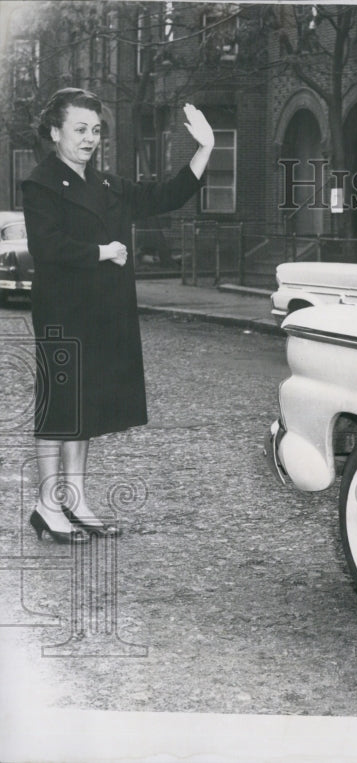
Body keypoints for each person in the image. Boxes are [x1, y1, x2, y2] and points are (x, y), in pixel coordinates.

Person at [22, 88, 215, 543]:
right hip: (61, 311)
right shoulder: (41, 182)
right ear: (55, 132)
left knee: (83, 407)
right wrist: (102, 251)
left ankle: (76, 500)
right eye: (79, 129)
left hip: (101, 312)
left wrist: (205, 149)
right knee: (59, 407)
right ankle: (47, 504)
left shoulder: (106, 184)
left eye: (95, 130)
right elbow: (45, 247)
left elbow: (165, 196)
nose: (90, 139)